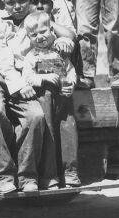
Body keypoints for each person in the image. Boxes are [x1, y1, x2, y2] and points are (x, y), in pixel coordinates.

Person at [0, 0, 73, 192]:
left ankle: (27, 176)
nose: (17, 7)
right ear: (3, 2)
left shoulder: (35, 22)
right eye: (11, 2)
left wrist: (61, 42)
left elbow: (52, 42)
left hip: (22, 77)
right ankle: (1, 176)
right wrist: (20, 85)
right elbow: (2, 60)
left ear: (30, 0)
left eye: (22, 1)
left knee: (36, 116)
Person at [20, 10, 81, 187]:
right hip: (44, 101)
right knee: (49, 137)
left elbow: (70, 70)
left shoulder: (60, 52)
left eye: (43, 32)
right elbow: (27, 77)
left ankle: (70, 173)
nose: (39, 37)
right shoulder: (32, 56)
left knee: (67, 133)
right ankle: (49, 176)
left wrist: (71, 84)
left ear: (51, 30)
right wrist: (42, 79)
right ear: (29, 37)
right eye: (34, 35)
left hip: (63, 101)